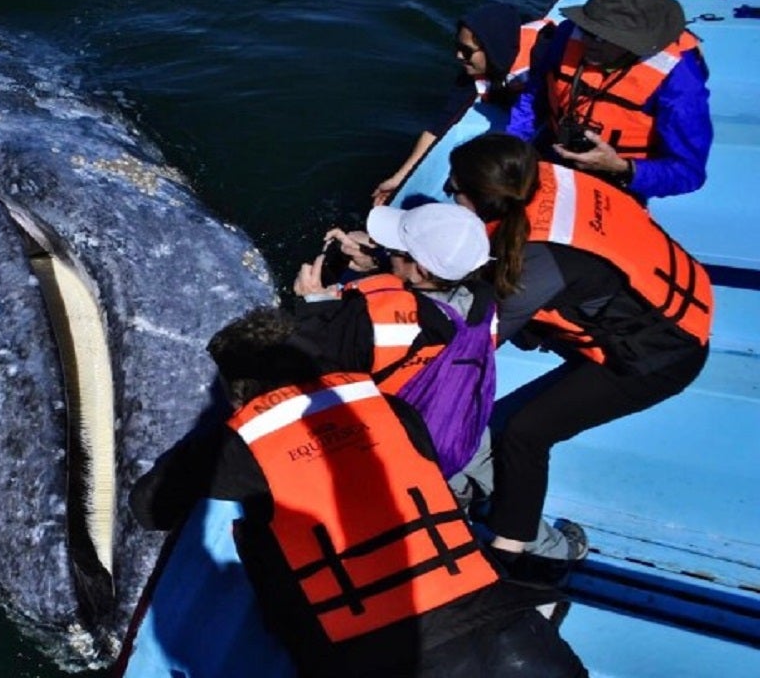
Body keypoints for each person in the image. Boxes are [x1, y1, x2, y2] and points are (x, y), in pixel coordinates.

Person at [129, 307, 588, 678]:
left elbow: (149, 507)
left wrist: (211, 437)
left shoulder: (243, 444)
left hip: (394, 656)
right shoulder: (391, 408)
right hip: (514, 632)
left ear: (238, 390)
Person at [444, 132, 712, 568]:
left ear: (488, 200)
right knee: (504, 424)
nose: (448, 198)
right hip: (672, 312)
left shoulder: (539, 261)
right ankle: (479, 488)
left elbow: (473, 345)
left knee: (525, 432)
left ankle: (522, 554)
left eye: (453, 192)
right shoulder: (548, 179)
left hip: (659, 358)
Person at [294, 203, 587, 578]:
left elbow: (319, 359)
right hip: (465, 432)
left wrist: (314, 306)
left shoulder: (381, 320)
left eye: (398, 251)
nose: (391, 254)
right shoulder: (484, 302)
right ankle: (557, 551)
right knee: (506, 486)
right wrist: (379, 263)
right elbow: (429, 304)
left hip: (409, 451)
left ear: (421, 268)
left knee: (433, 517)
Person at [507, 0, 712, 202]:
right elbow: (534, 96)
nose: (590, 43)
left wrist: (622, 167)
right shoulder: (566, 35)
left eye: (604, 37)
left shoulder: (680, 82)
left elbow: (688, 172)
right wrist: (515, 144)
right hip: (553, 152)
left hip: (619, 179)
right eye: (588, 30)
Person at [373, 2, 553, 206]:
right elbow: (439, 125)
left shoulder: (543, 59)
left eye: (467, 51)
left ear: (492, 49)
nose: (459, 56)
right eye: (458, 47)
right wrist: (400, 178)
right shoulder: (472, 72)